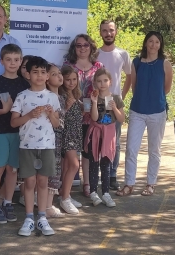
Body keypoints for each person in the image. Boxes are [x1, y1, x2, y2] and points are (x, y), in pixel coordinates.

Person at [117, 31, 173, 197]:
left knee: (154, 150)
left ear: (160, 44)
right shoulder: (136, 62)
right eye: (150, 41)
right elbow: (134, 86)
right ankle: (129, 184)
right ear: (145, 43)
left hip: (157, 112)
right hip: (137, 111)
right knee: (131, 149)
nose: (153, 45)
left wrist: (155, 98)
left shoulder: (165, 63)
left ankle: (150, 184)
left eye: (157, 42)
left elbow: (167, 88)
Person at [11, 56, 61, 237]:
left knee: (43, 181)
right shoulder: (22, 96)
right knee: (29, 182)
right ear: (28, 74)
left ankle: (42, 217)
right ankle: (29, 218)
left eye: (43, 72)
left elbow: (56, 124)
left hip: (47, 146)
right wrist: (30, 114)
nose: (39, 76)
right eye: (35, 72)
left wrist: (50, 114)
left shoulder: (53, 97)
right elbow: (14, 122)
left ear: (48, 76)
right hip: (27, 145)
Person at [0, 44, 29, 223]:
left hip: (19, 132)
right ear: (1, 61)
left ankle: (7, 201)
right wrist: (4, 111)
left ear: (21, 62)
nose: (12, 63)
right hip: (0, 132)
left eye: (16, 60)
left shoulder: (25, 84)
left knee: (12, 169)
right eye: (8, 60)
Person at [64, 34, 104, 197]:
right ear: (74, 48)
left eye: (85, 45)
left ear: (91, 47)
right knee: (71, 153)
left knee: (88, 151)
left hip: (91, 114)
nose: (82, 48)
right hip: (72, 115)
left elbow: (103, 86)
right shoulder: (68, 65)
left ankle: (87, 183)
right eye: (78, 45)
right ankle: (66, 188)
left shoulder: (98, 65)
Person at [96, 20, 132, 190]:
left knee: (115, 142)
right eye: (105, 30)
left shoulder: (123, 54)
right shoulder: (95, 54)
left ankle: (112, 175)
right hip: (98, 103)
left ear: (116, 31)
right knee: (98, 139)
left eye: (111, 30)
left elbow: (129, 76)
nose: (108, 33)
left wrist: (121, 97)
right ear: (100, 33)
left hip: (114, 103)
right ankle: (97, 174)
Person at [85, 68, 124, 207]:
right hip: (96, 132)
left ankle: (106, 193)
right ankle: (94, 192)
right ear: (95, 83)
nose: (102, 84)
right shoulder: (93, 97)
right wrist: (94, 102)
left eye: (105, 80)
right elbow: (94, 117)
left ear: (110, 81)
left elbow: (122, 118)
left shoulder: (116, 98)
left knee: (106, 163)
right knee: (94, 161)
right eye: (99, 81)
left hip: (109, 133)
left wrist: (114, 108)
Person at [58, 65, 83, 214]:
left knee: (68, 167)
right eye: (68, 80)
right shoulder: (62, 96)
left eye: (74, 79)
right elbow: (60, 115)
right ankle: (65, 199)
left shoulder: (76, 94)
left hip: (75, 133)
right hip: (67, 134)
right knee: (74, 165)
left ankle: (66, 194)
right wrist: (68, 106)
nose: (71, 82)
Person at [45, 64, 66, 217]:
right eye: (54, 74)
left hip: (57, 138)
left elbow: (62, 122)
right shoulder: (45, 97)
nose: (59, 76)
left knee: (54, 170)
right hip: (44, 139)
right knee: (44, 171)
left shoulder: (62, 98)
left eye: (59, 73)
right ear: (46, 79)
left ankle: (48, 205)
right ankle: (44, 206)